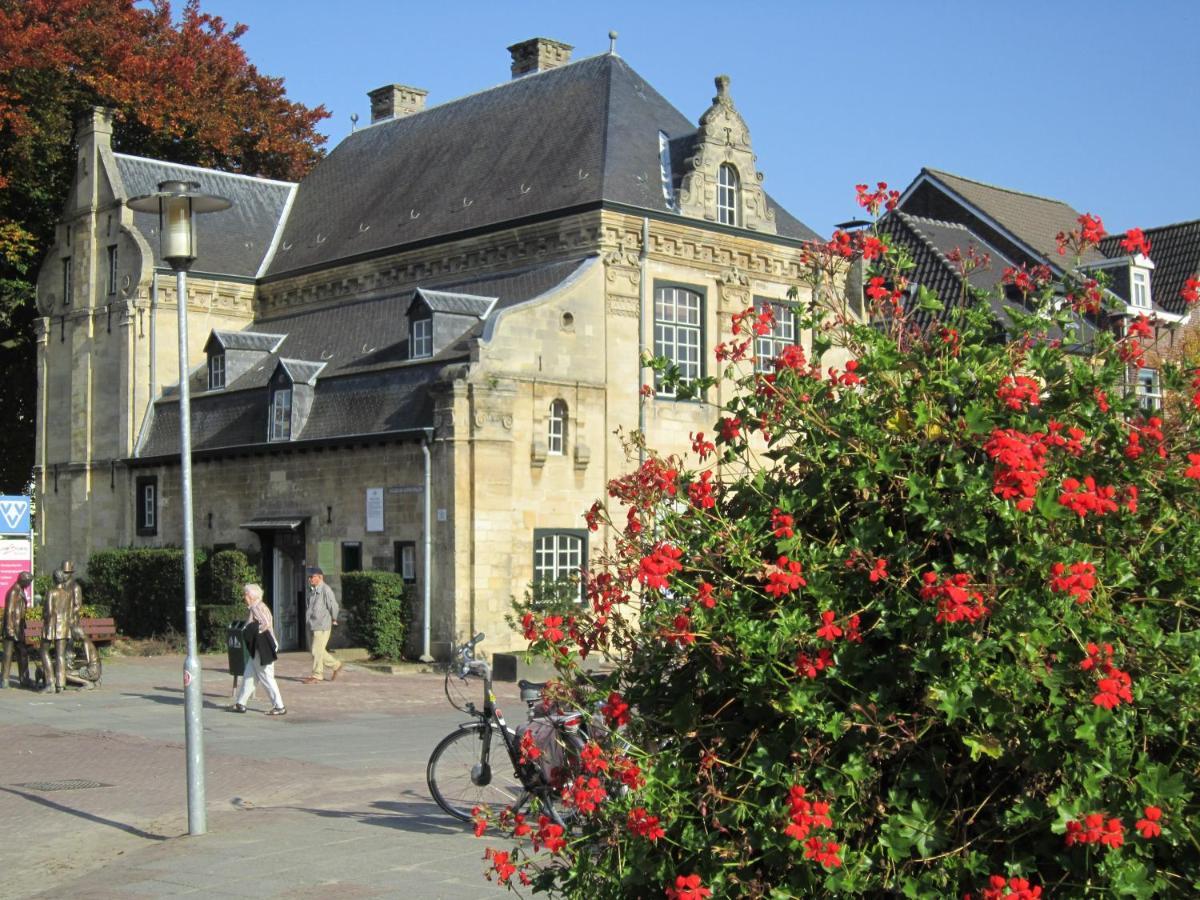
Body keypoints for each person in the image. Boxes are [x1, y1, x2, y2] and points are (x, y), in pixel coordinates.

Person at [231, 583, 286, 715]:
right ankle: (240, 703)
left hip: (262, 646)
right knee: (250, 674)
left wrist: (253, 631)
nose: (244, 597)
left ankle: (279, 706)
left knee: (266, 677)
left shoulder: (256, 607)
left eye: (246, 594)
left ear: (251, 596)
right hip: (260, 645)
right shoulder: (258, 606)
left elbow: (265, 623)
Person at [303, 566, 342, 684]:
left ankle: (317, 675)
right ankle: (336, 665)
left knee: (316, 651)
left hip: (322, 625)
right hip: (313, 624)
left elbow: (333, 605)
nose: (310, 579)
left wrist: (334, 618)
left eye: (312, 577)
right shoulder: (312, 590)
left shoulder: (326, 590)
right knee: (318, 651)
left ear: (320, 577)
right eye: (309, 577)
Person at [39, 570, 72, 692]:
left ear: (54, 579)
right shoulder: (68, 594)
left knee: (43, 651)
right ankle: (61, 683)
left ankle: (50, 683)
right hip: (63, 626)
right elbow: (69, 612)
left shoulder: (51, 592)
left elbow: (48, 611)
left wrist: (45, 621)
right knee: (60, 655)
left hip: (52, 625)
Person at [60, 560, 97, 669]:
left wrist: (67, 613)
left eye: (67, 572)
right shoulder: (60, 586)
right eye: (63, 572)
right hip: (60, 621)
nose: (64, 574)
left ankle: (69, 665)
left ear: (71, 573)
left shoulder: (75, 587)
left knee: (69, 644)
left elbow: (78, 605)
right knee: (62, 645)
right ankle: (63, 667)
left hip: (71, 621)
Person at [1, 571, 33, 689]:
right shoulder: (14, 591)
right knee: (8, 655)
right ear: (23, 580)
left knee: (22, 653)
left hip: (18, 628)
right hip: (12, 627)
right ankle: (4, 680)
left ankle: (24, 679)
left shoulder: (20, 590)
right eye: (28, 582)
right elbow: (9, 611)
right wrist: (9, 628)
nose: (29, 585)